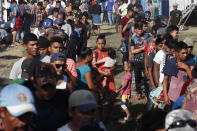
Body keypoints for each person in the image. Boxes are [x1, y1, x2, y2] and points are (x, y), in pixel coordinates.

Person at [26, 63, 70, 131]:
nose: (48, 91)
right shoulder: (28, 101)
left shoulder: (65, 97)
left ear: (56, 82)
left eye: (51, 86)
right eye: (44, 87)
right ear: (35, 84)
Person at [163, 41, 195, 109]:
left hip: (185, 98)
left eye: (186, 53)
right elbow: (165, 79)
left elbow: (193, 80)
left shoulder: (191, 61)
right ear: (177, 53)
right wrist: (165, 96)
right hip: (172, 96)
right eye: (183, 53)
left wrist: (186, 68)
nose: (185, 55)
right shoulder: (171, 62)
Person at [130, 22, 149, 100]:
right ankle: (139, 93)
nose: (139, 30)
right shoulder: (133, 38)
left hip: (145, 60)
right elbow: (132, 51)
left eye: (141, 28)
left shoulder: (148, 36)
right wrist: (142, 48)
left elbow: (150, 47)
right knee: (137, 77)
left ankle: (147, 94)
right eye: (138, 29)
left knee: (146, 77)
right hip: (136, 60)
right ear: (135, 30)